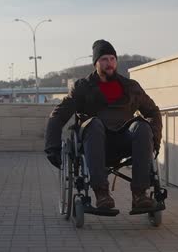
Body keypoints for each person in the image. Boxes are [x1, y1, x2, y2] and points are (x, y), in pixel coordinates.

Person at [44, 39, 162, 211]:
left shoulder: (130, 87)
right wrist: (52, 146)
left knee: (142, 126)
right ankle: (102, 194)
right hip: (94, 139)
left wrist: (155, 140)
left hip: (124, 138)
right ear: (96, 63)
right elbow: (59, 115)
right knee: (94, 124)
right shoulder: (83, 87)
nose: (109, 63)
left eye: (112, 59)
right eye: (104, 59)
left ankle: (139, 194)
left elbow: (153, 112)